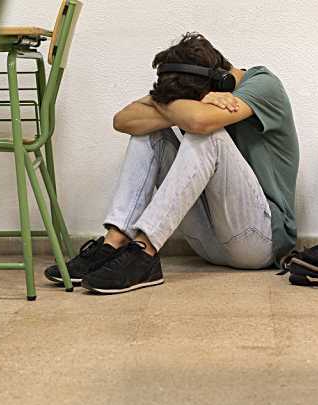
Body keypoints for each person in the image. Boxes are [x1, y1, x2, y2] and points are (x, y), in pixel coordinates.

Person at [45, 32, 299, 295]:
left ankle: (145, 252)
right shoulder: (205, 97)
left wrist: (174, 106)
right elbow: (122, 121)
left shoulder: (265, 85)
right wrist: (168, 100)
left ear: (222, 83)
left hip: (259, 242)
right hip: (206, 243)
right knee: (149, 132)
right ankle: (113, 243)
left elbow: (200, 122)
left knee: (207, 134)